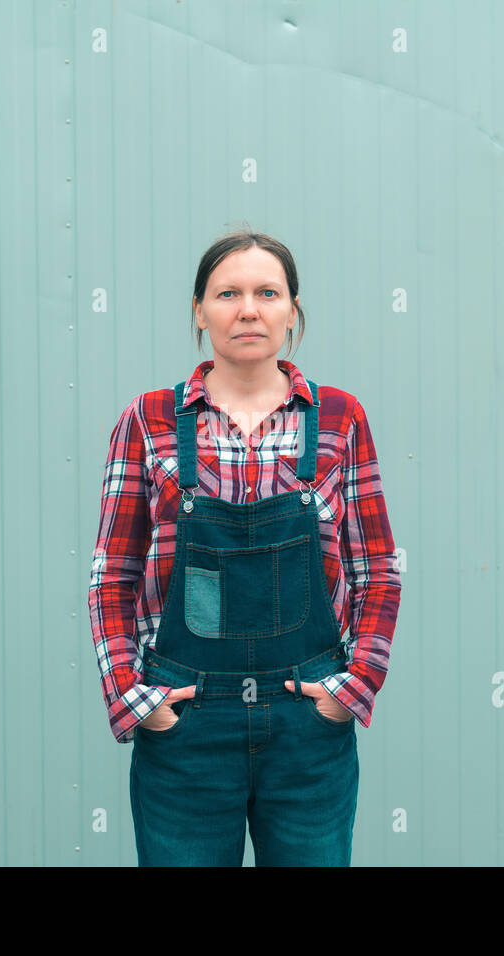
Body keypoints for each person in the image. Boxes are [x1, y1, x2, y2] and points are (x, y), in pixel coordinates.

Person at [87, 230, 402, 866]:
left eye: (267, 293)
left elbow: (378, 570)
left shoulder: (340, 418)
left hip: (306, 724)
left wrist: (353, 688)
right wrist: (134, 699)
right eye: (227, 293)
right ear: (200, 310)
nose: (248, 309)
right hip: (187, 724)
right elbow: (112, 574)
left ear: (292, 311)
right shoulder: (148, 421)